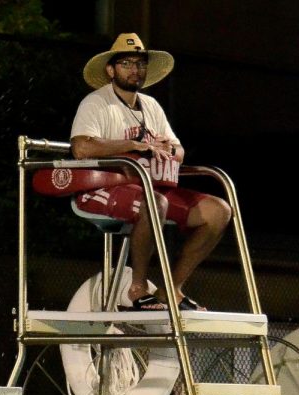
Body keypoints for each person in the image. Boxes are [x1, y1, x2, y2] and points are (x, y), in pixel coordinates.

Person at [70, 32, 232, 312]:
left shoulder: (151, 105)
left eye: (140, 63)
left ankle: (172, 290)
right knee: (155, 202)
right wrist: (133, 145)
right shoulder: (96, 103)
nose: (135, 70)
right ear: (111, 69)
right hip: (102, 188)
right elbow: (81, 148)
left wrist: (168, 149)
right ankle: (137, 288)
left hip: (151, 185)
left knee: (220, 210)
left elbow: (178, 151)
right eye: (127, 63)